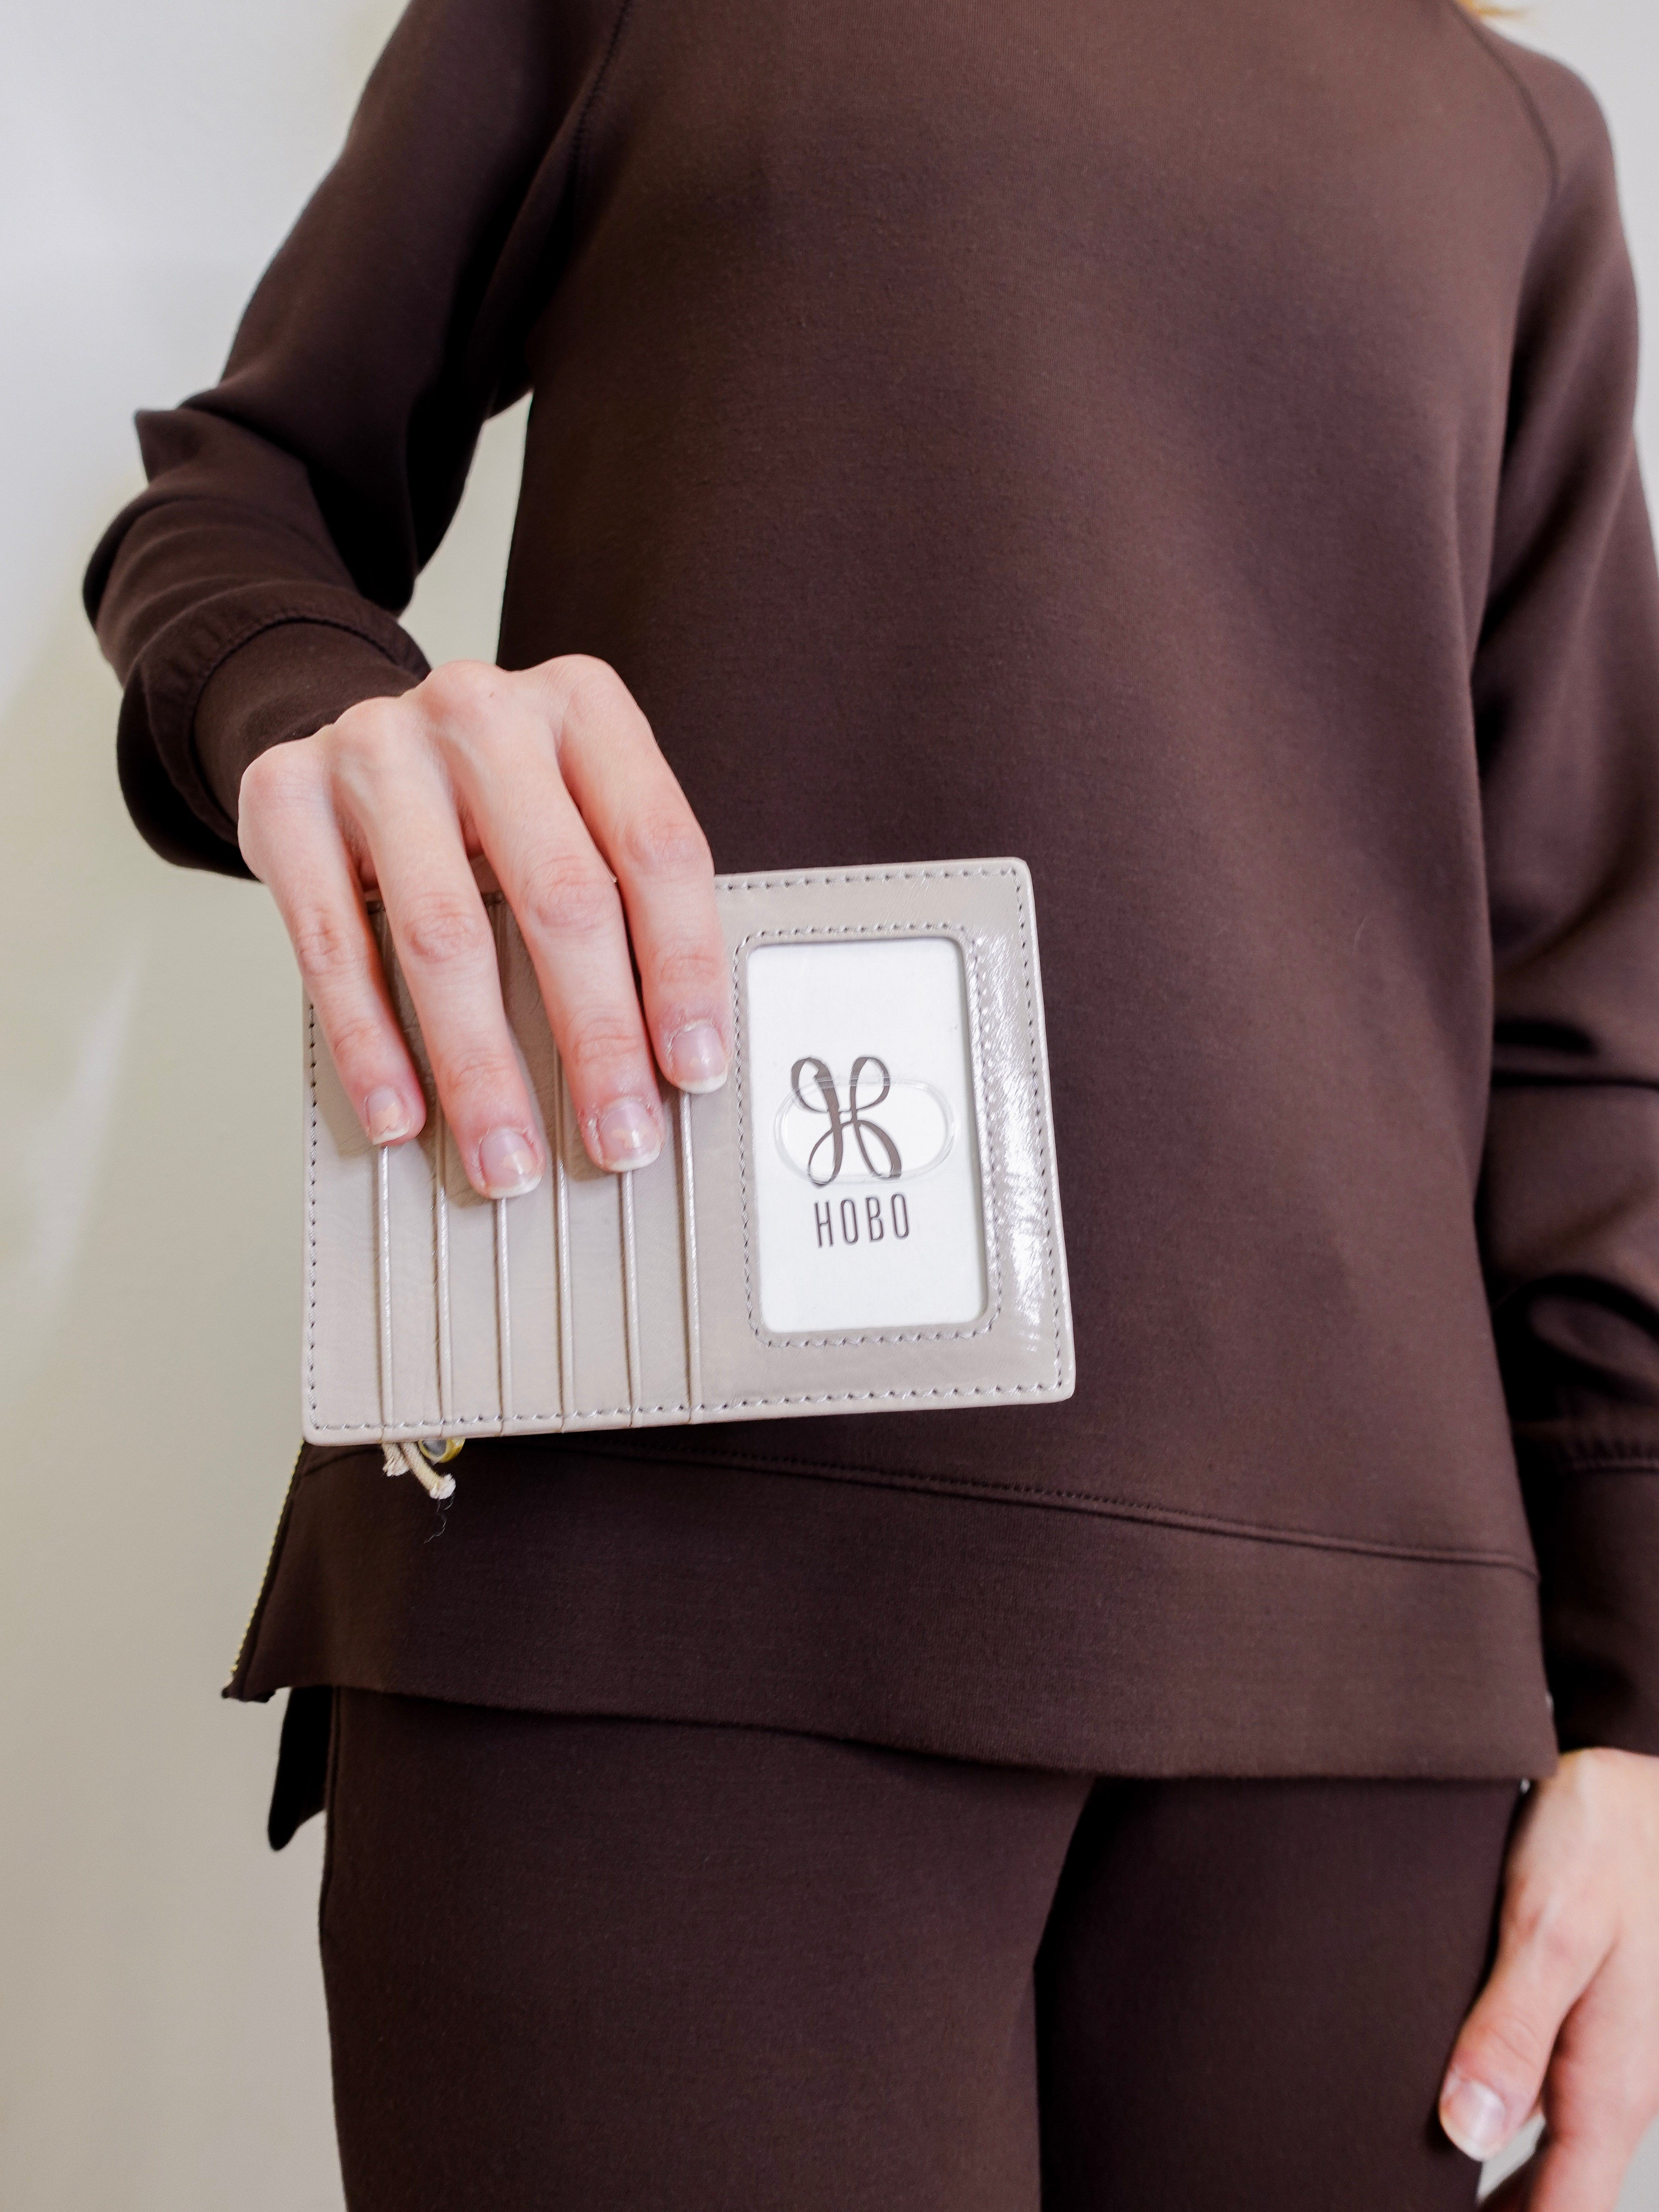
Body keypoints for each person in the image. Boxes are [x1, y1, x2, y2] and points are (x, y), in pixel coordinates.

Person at [85, 0, 1659, 2204]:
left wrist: (1641, 1716)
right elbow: (242, 492)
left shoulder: (1519, 137)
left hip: (1365, 1694)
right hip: (664, 1547)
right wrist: (319, 709)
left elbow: (1587, 980)